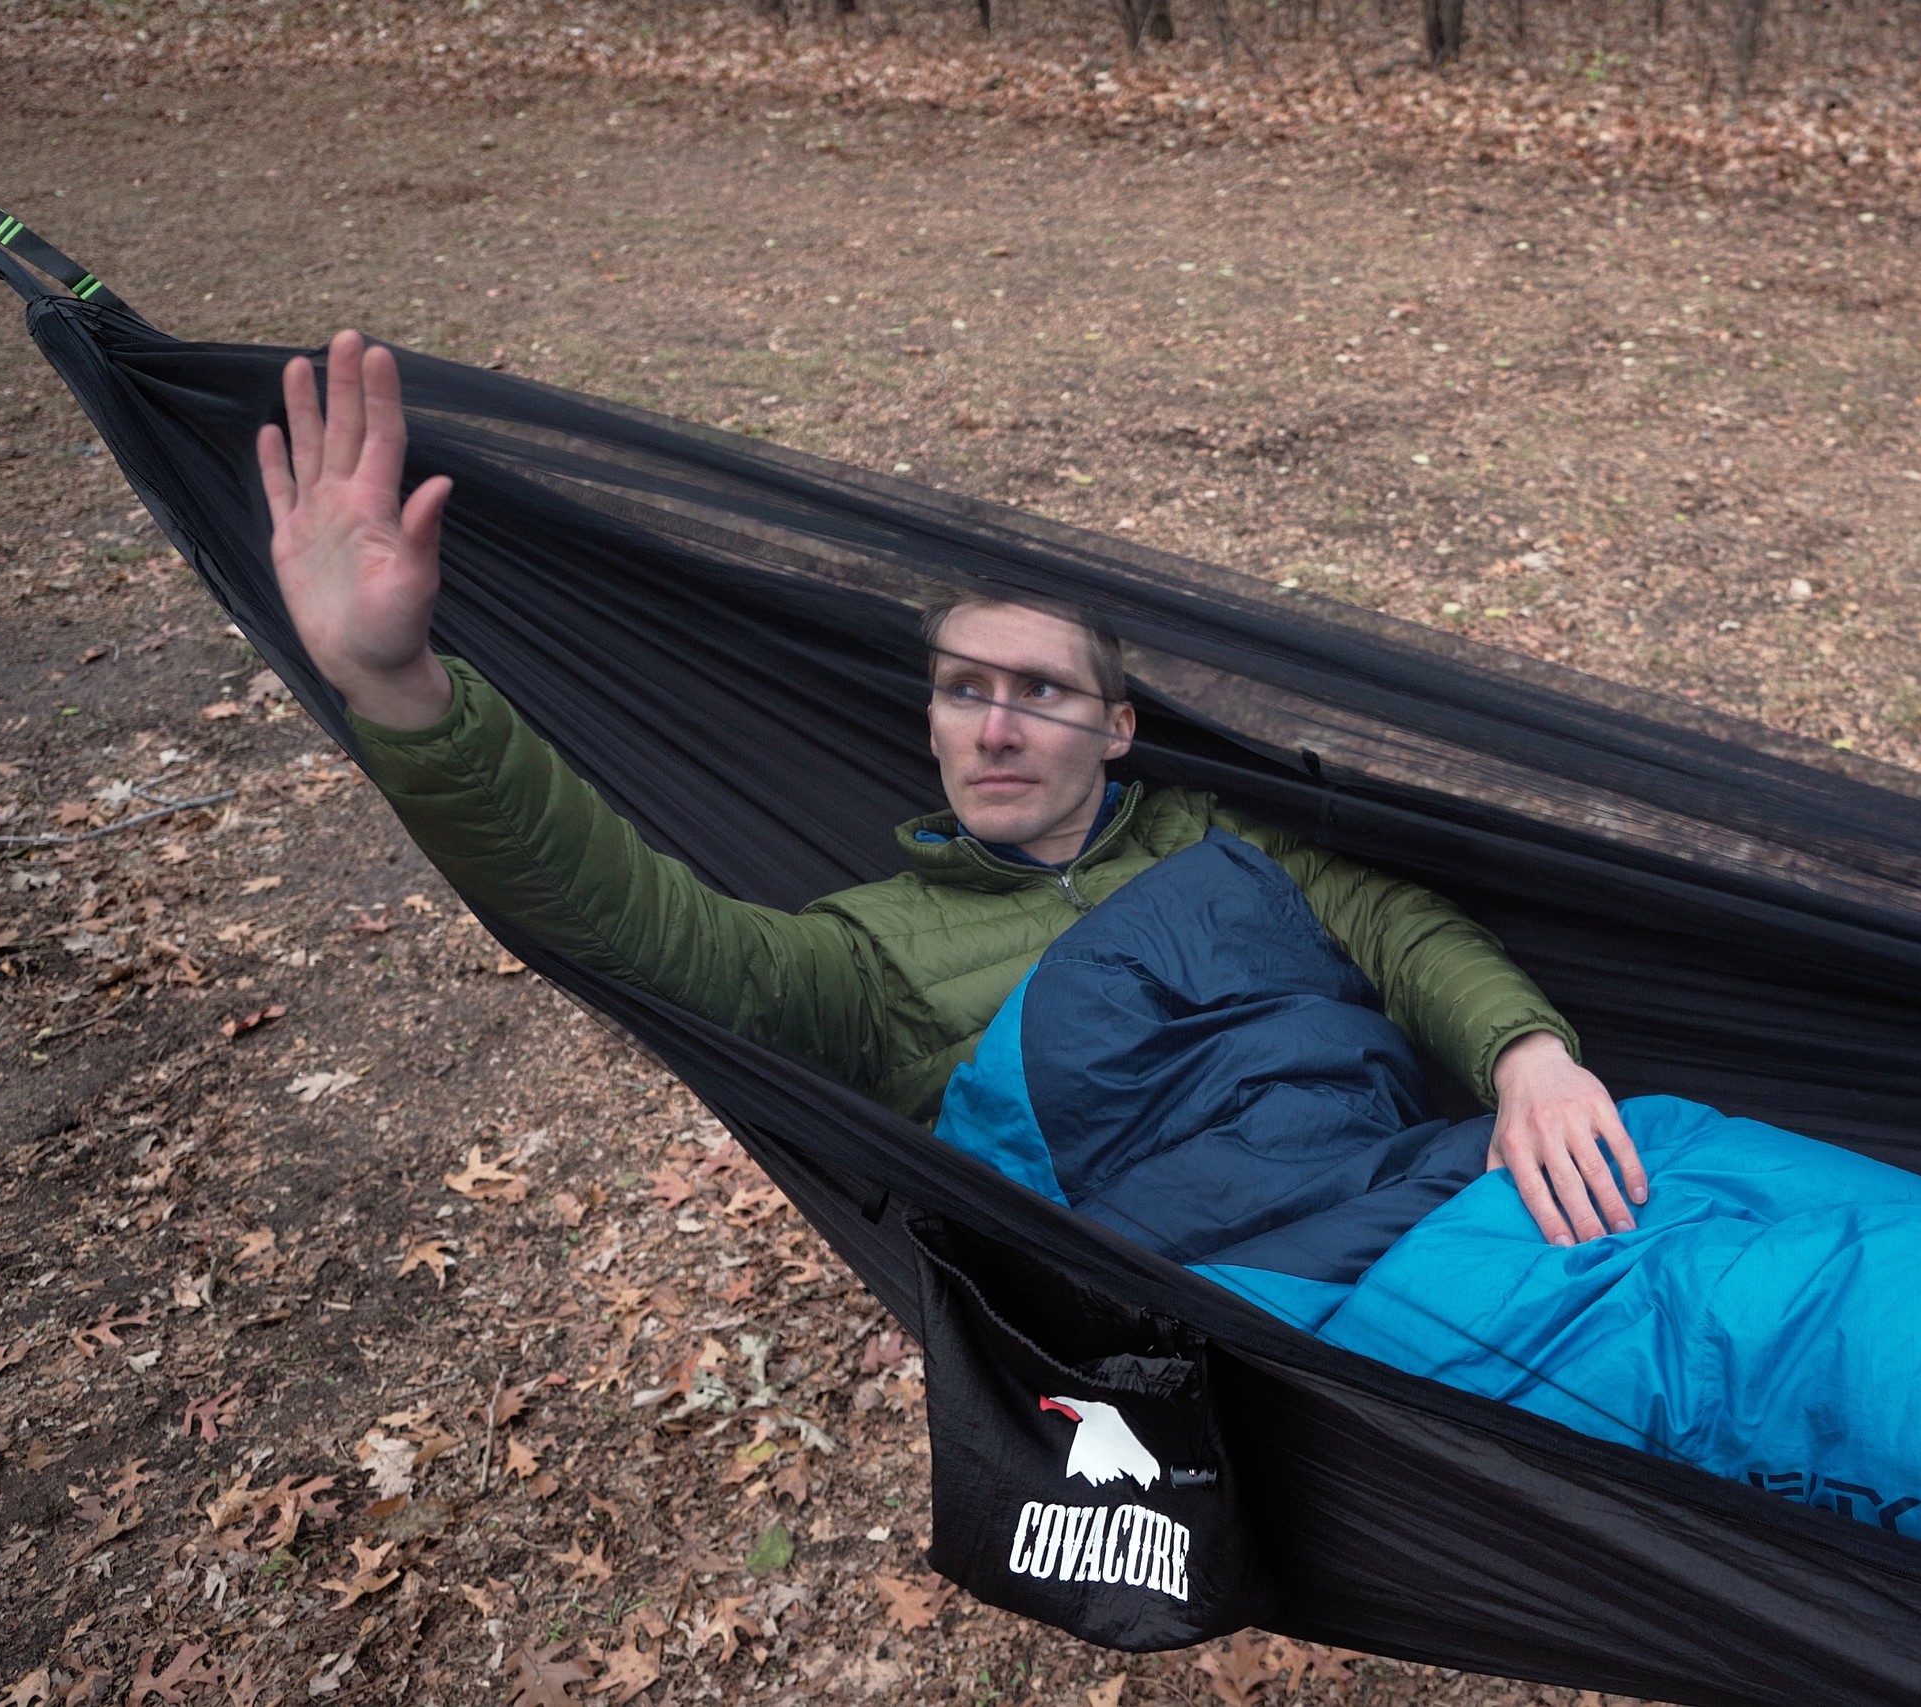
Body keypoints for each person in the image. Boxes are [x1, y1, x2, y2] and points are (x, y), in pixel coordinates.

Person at [258, 330, 1649, 1247]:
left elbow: (1401, 927)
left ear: (1116, 727)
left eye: (1037, 691)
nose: (994, 727)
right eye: (962, 690)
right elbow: (634, 932)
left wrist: (1526, 1055)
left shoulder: (1222, 837)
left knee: (1801, 1224)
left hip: (1467, 1179)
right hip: (1303, 1282)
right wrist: (400, 693)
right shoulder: (870, 956)